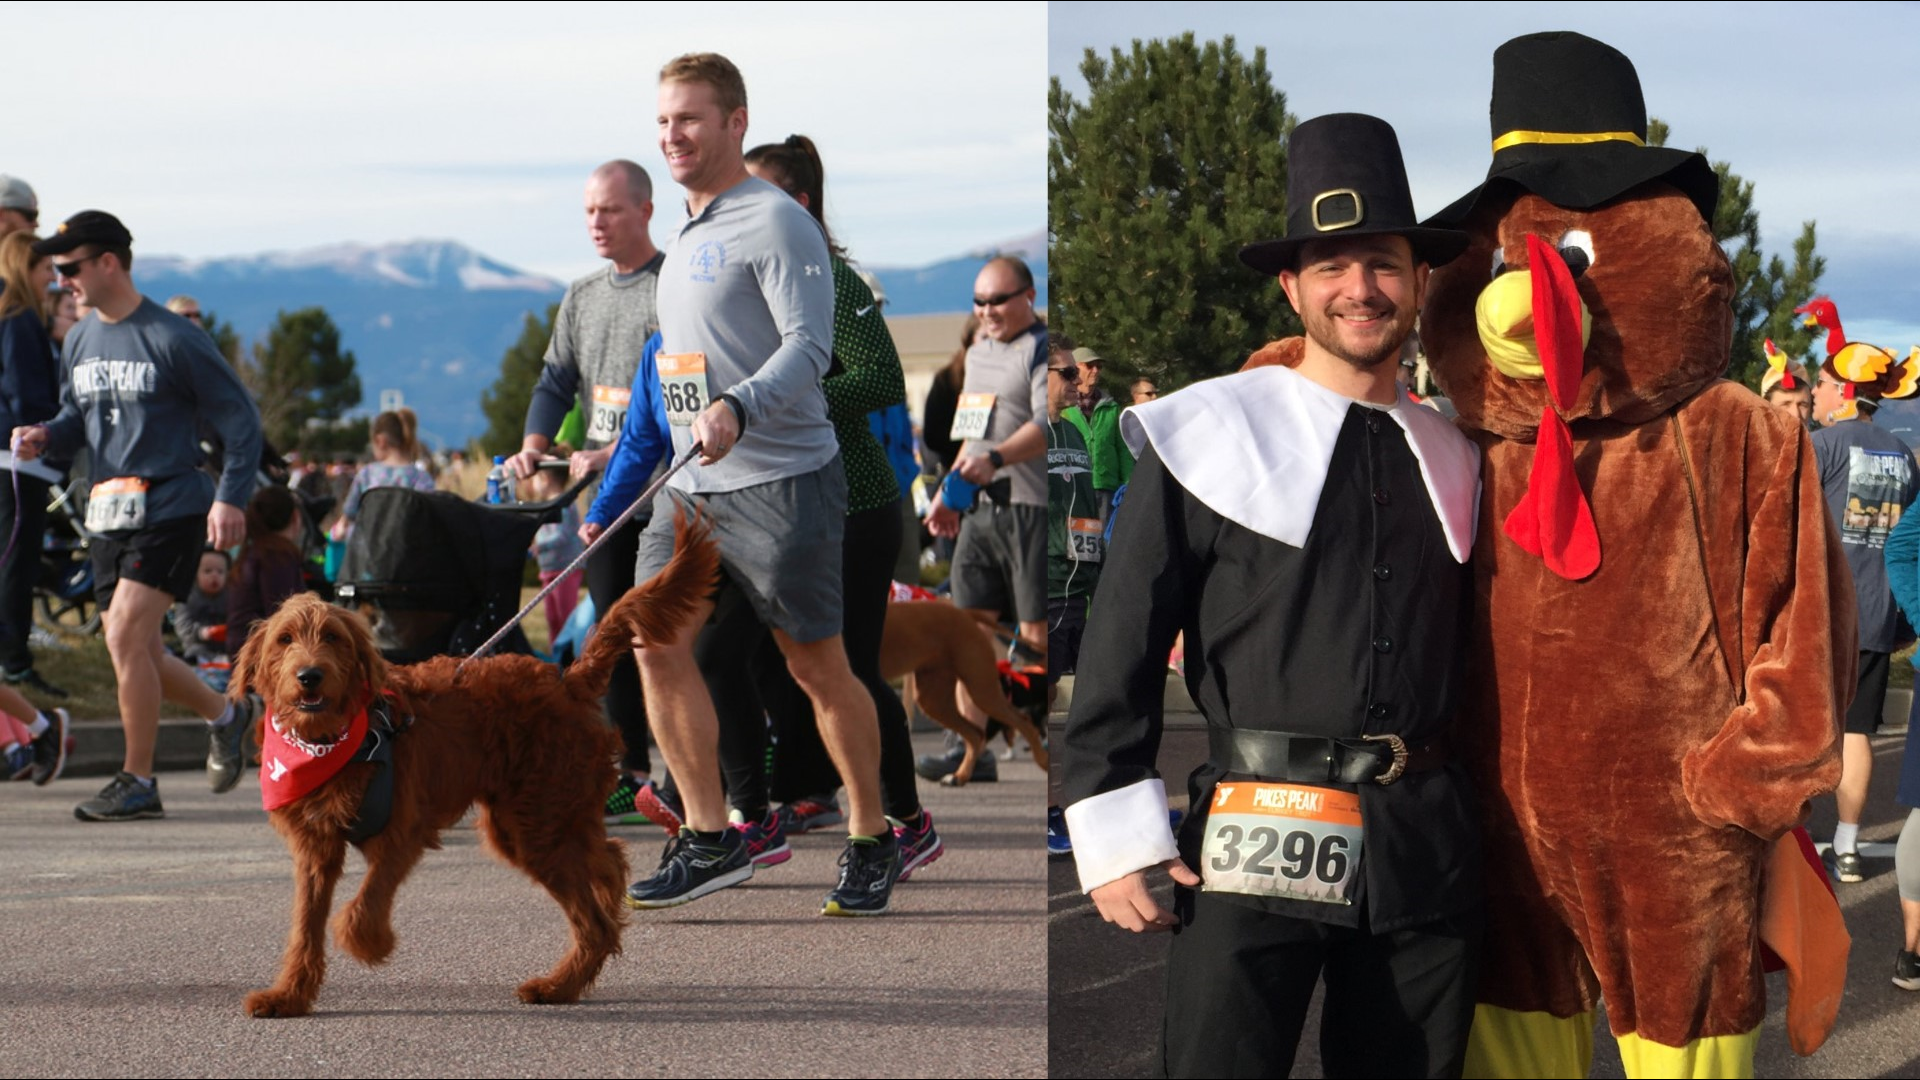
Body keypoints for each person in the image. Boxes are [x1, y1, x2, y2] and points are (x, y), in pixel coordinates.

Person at [1059, 114, 1483, 1078]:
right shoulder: (1206, 432)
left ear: (1418, 281)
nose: (1359, 289)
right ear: (1293, 287)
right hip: (1252, 838)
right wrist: (1114, 832)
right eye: (1331, 267)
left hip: (1422, 845)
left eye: (1381, 263)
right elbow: (1123, 644)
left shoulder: (1460, 454)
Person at [590, 51, 897, 916]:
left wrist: (739, 405)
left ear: (735, 121)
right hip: (691, 488)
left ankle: (874, 836)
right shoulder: (687, 230)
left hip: (785, 481)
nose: (672, 135)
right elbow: (675, 367)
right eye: (661, 122)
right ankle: (710, 836)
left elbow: (810, 346)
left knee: (817, 669)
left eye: (688, 118)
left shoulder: (775, 222)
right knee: (652, 639)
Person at [14, 210, 264, 821]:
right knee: (140, 650)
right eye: (56, 270)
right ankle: (229, 715)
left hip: (172, 506)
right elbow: (79, 419)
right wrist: (46, 435)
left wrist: (230, 497)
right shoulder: (78, 339)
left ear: (108, 263)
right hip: (107, 511)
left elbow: (241, 421)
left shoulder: (174, 337)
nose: (60, 280)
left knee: (125, 633)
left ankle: (138, 781)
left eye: (70, 268)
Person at [504, 159, 664, 822]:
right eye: (590, 212)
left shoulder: (671, 287)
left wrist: (624, 445)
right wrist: (536, 441)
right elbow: (554, 379)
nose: (597, 223)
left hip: (664, 489)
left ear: (646, 211)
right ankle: (631, 770)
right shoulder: (582, 294)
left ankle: (701, 769)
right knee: (611, 632)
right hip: (600, 499)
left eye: (611, 210)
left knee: (670, 637)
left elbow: (686, 387)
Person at [918, 255, 1047, 779]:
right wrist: (950, 495)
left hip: (1026, 507)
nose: (987, 311)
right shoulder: (977, 350)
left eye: (998, 300)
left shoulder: (1041, 349)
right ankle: (969, 747)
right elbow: (972, 431)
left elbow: (1046, 424)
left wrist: (994, 461)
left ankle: (1042, 742)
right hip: (978, 510)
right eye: (979, 302)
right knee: (969, 628)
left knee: (1034, 632)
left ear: (1028, 296)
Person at [1812, 344, 1920, 883]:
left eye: (1821, 384)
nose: (1814, 392)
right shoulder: (1903, 456)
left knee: (1802, 727)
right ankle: (1849, 849)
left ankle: (1790, 854)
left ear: (1845, 394)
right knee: (1857, 733)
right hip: (1878, 615)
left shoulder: (1823, 445)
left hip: (1820, 613)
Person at [0, 232, 67, 699]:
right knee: (16, 563)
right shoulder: (20, 317)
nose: (54, 278)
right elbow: (26, 393)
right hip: (21, 459)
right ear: (26, 267)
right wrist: (50, 432)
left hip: (10, 455)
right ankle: (15, 662)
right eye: (46, 269)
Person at [1062, 344, 1129, 523]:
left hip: (1107, 488)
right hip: (1074, 487)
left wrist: (1128, 484)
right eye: (1090, 366)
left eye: (1099, 366)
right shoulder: (1063, 407)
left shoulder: (1112, 407)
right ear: (1074, 368)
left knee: (1105, 545)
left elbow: (1122, 449)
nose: (1096, 370)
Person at [339, 407, 435, 527]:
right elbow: (428, 518)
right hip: (407, 543)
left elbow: (349, 514)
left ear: (380, 441)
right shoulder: (421, 477)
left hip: (367, 543)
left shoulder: (367, 474)